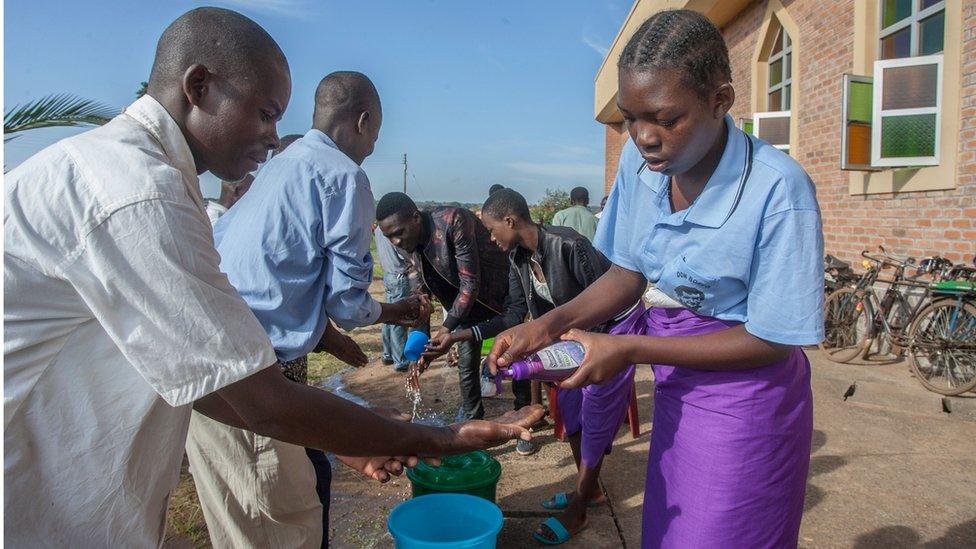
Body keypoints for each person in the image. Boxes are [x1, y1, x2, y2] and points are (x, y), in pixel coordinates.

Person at [3, 9, 542, 546]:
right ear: (198, 86)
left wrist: (349, 430)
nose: (272, 137)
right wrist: (441, 436)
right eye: (264, 114)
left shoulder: (153, 176)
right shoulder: (137, 195)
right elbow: (258, 392)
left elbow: (202, 377)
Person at [490, 9, 823, 548]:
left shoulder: (778, 190)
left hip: (745, 398)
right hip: (676, 383)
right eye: (630, 117)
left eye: (666, 119)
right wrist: (548, 325)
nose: (644, 137)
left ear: (721, 100)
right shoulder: (640, 166)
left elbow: (772, 336)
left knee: (718, 533)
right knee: (669, 530)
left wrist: (631, 350)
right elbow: (629, 272)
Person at [425, 188, 644, 541]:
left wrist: (571, 349)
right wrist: (462, 336)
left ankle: (579, 509)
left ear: (511, 220)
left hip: (613, 332)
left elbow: (608, 299)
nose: (491, 238)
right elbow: (515, 314)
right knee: (570, 412)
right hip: (572, 337)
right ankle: (591, 492)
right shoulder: (519, 258)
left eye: (493, 230)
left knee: (596, 414)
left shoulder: (568, 245)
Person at [375, 192, 533, 422]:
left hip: (499, 299)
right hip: (465, 308)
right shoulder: (412, 245)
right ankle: (472, 416)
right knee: (467, 365)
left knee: (513, 355)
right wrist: (419, 350)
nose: (396, 242)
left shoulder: (453, 220)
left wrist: (447, 328)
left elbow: (470, 282)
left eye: (399, 233)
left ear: (416, 218)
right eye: (390, 237)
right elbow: (422, 296)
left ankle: (523, 413)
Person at [375, 225, 414, 372]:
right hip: (399, 275)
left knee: (388, 316)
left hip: (388, 274)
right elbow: (404, 253)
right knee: (399, 317)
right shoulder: (393, 228)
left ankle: (388, 354)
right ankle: (401, 360)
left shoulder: (379, 228)